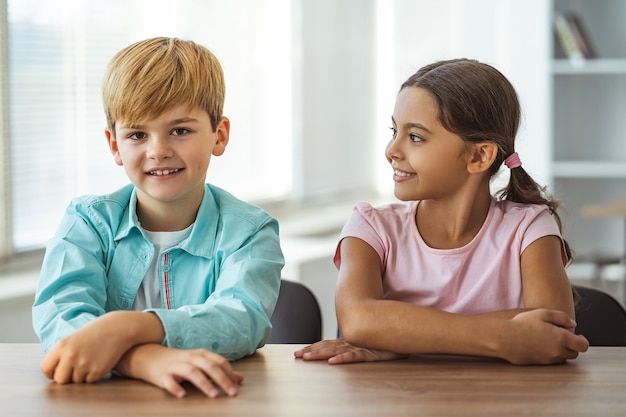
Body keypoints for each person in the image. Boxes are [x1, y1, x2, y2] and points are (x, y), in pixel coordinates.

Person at [32, 37, 284, 398]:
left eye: (179, 130)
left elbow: (243, 320)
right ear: (115, 145)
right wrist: (144, 359)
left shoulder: (250, 232)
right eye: (137, 134)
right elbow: (60, 317)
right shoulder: (86, 222)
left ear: (219, 134)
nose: (158, 151)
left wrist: (130, 327)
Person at [294, 58, 589, 366]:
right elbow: (358, 321)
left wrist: (401, 338)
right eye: (394, 130)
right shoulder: (371, 227)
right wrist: (505, 337)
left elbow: (555, 330)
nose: (392, 150)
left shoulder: (529, 227)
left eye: (415, 137)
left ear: (479, 156)